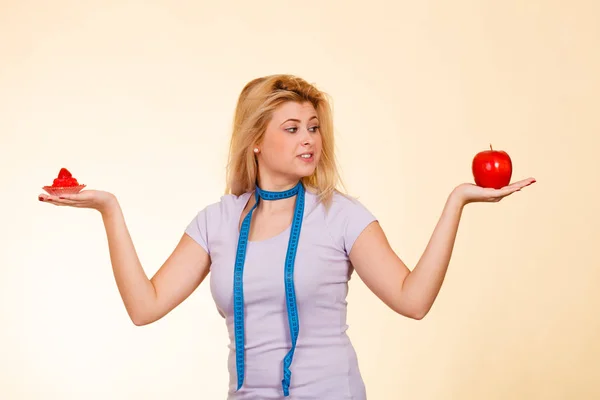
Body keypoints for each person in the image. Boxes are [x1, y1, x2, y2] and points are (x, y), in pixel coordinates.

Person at [38, 74, 536, 399]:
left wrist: (457, 202)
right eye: (293, 128)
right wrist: (109, 210)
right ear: (256, 140)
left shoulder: (340, 215)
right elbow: (144, 307)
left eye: (314, 128)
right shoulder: (216, 221)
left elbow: (414, 299)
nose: (309, 140)